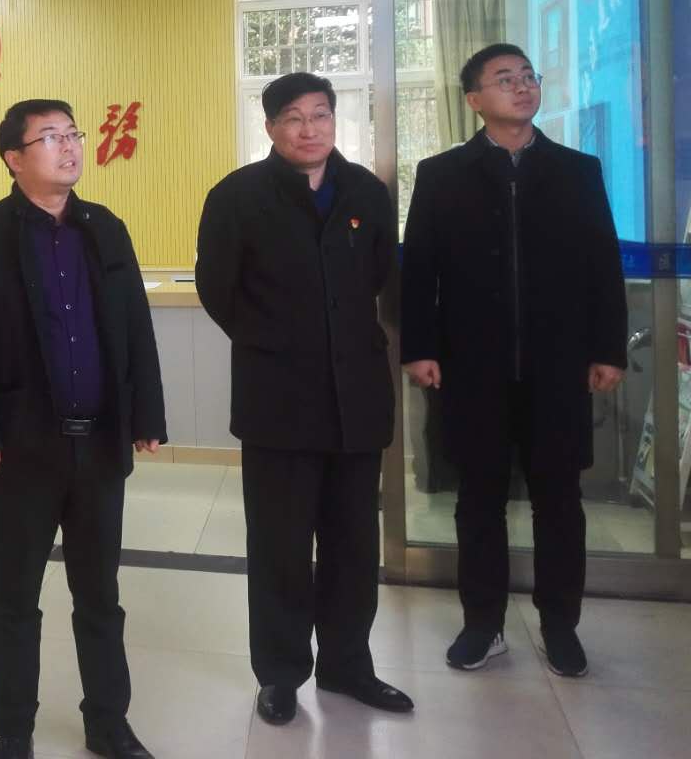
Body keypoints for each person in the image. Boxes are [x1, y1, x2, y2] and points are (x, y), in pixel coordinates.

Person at [0, 100, 167, 759]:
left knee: (100, 595)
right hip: (21, 448)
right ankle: (14, 730)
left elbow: (135, 326)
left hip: (98, 443)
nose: (68, 147)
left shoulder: (105, 228)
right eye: (49, 137)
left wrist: (147, 413)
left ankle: (108, 722)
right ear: (14, 158)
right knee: (14, 596)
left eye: (72, 134)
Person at [401, 43, 627, 678]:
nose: (523, 86)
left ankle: (560, 625)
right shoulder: (442, 174)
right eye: (505, 79)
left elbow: (602, 265)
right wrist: (419, 347)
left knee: (560, 501)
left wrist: (608, 348)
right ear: (475, 99)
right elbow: (419, 270)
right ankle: (483, 624)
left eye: (528, 76)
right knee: (478, 500)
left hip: (559, 367)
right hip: (472, 368)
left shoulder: (577, 170)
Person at [195, 72, 413, 727]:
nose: (309, 128)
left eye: (321, 114)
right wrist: (275, 342)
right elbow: (217, 289)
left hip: (357, 398)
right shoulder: (236, 196)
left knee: (353, 543)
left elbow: (379, 275)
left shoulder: (366, 192)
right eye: (293, 117)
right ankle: (280, 673)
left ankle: (348, 665)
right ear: (269, 127)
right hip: (277, 399)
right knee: (280, 546)